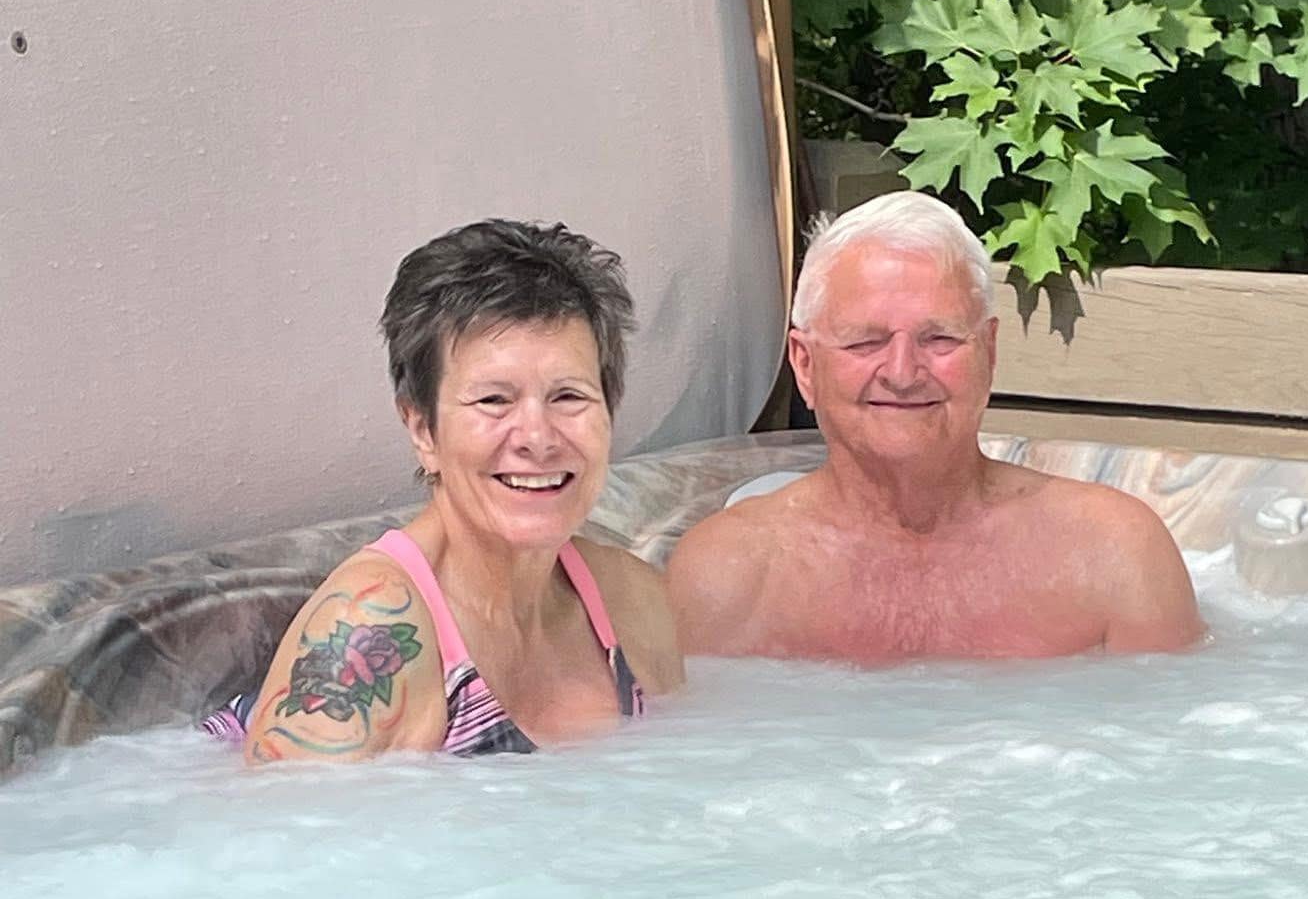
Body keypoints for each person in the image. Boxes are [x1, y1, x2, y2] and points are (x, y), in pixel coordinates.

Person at [206, 219, 682, 763]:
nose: (538, 438)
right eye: (493, 401)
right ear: (422, 430)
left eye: (569, 396)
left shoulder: (633, 601)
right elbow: (278, 841)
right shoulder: (368, 630)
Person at [665, 194, 1203, 664]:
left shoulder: (1111, 555)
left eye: (939, 339)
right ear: (805, 365)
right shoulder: (725, 576)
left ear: (989, 354)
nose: (902, 373)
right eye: (864, 341)